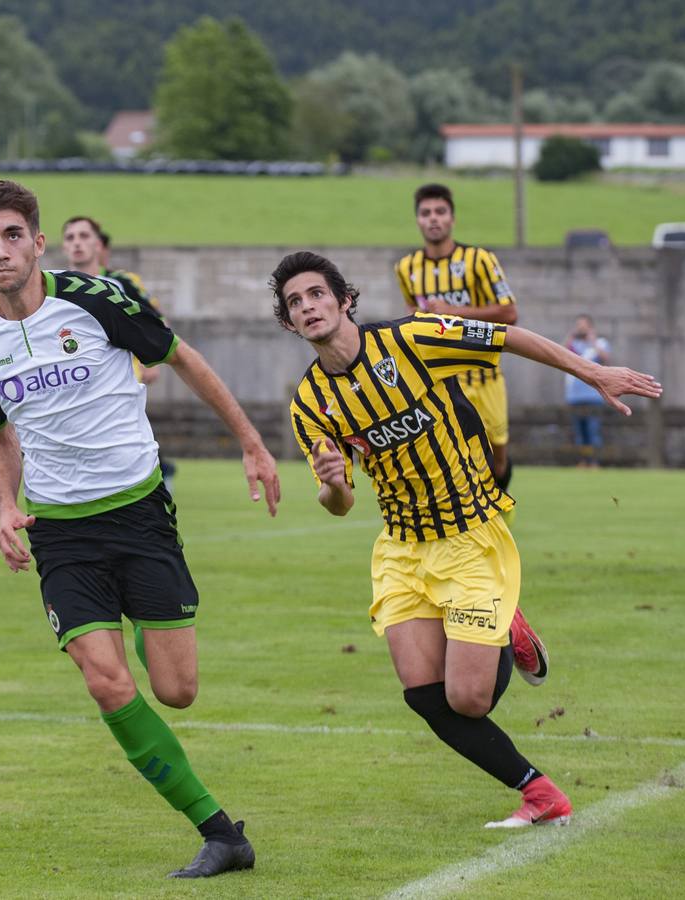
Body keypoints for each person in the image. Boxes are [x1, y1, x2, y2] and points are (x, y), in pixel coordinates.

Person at [0, 180, 279, 878]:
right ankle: (220, 832)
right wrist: (6, 507)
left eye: (14, 235)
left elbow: (183, 360)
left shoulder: (96, 301)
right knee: (106, 683)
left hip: (138, 514)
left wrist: (252, 444)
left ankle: (147, 619)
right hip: (61, 534)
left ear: (39, 243)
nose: (1, 250)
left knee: (176, 690)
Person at [273, 251, 661, 828]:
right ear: (288, 321)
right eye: (295, 303)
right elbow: (340, 503)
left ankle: (508, 626)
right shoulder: (310, 404)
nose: (308, 307)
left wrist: (593, 371)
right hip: (402, 550)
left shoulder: (412, 339)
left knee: (469, 700)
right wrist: (331, 486)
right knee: (423, 694)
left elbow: (507, 336)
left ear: (344, 299)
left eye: (316, 294)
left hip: (468, 536)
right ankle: (540, 793)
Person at [396, 184, 519, 497]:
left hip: (486, 378)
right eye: (426, 213)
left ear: (452, 218)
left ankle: (501, 500)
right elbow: (414, 318)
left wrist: (454, 312)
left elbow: (510, 312)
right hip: (444, 381)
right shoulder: (407, 268)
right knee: (455, 456)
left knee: (498, 458)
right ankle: (475, 516)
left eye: (440, 212)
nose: (433, 219)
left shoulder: (480, 260)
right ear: (417, 221)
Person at [62, 215, 178, 493]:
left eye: (84, 236)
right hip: (77, 383)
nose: (77, 243)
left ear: (99, 245)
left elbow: (157, 322)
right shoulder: (56, 289)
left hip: (121, 380)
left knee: (127, 440)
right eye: (70, 238)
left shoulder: (120, 283)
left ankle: (155, 485)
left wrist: (150, 360)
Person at [563, 316, 611, 467]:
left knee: (593, 430)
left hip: (593, 396)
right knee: (579, 432)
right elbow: (560, 354)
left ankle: (594, 461)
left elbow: (605, 358)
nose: (581, 328)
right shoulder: (574, 345)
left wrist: (592, 340)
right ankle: (583, 460)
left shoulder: (599, 343)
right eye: (579, 325)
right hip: (575, 397)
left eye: (584, 326)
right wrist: (571, 336)